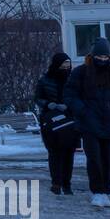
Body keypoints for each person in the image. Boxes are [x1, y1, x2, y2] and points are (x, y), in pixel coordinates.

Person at [64, 37, 110, 208]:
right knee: (94, 158)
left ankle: (105, 191)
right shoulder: (81, 72)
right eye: (100, 57)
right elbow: (69, 95)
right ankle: (97, 191)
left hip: (108, 122)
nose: (103, 60)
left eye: (106, 57)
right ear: (93, 55)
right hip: (89, 123)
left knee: (107, 159)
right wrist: (82, 110)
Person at [34, 52, 78, 195]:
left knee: (69, 153)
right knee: (54, 152)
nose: (66, 67)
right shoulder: (45, 80)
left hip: (69, 119)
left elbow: (77, 96)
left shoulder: (73, 79)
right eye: (64, 64)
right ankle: (56, 183)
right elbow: (38, 98)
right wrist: (49, 104)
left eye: (68, 64)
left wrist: (69, 105)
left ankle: (67, 183)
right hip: (50, 120)